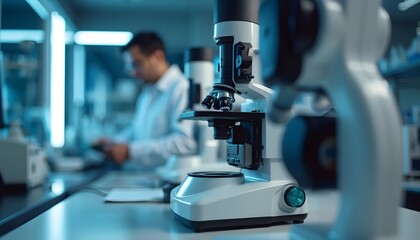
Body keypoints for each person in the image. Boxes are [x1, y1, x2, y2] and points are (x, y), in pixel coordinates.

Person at [97, 32, 197, 169]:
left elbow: (184, 143)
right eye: (130, 67)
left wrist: (130, 151)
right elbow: (137, 129)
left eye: (136, 64)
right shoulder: (147, 92)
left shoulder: (181, 88)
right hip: (148, 178)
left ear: (158, 56)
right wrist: (114, 142)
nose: (133, 73)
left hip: (169, 180)